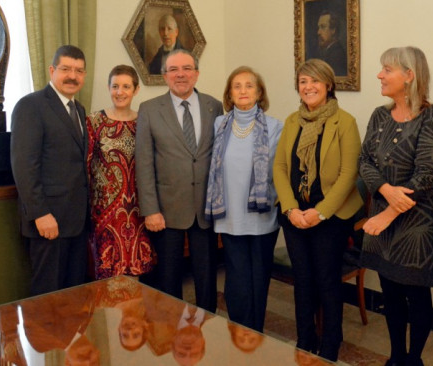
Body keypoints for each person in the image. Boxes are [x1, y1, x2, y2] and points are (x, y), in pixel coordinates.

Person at [358, 47, 433, 366]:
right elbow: (364, 160)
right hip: (382, 217)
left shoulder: (432, 116)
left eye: (387, 69)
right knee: (390, 290)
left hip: (417, 221)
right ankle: (396, 356)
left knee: (416, 293)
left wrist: (390, 211)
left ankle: (414, 359)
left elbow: (427, 173)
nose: (380, 75)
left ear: (409, 75)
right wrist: (383, 189)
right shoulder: (379, 116)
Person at [273, 58, 363, 362]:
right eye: (302, 81)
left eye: (314, 81)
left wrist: (320, 212)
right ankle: (305, 338)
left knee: (326, 280)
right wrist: (290, 208)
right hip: (296, 216)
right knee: (303, 280)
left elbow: (349, 174)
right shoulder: (291, 121)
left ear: (328, 85)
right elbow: (281, 167)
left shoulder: (345, 122)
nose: (308, 87)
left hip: (331, 217)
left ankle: (330, 343)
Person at [135, 49, 223, 312]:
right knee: (169, 277)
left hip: (205, 208)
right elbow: (144, 162)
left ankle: (209, 327)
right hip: (166, 210)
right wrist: (151, 210)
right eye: (173, 69)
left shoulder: (214, 106)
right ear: (164, 76)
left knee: (207, 276)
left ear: (196, 74)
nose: (180, 74)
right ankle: (170, 329)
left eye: (186, 68)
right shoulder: (149, 109)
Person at [204, 66, 283, 332]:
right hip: (229, 215)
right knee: (236, 279)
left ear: (259, 92)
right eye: (236, 86)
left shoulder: (274, 127)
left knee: (258, 278)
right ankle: (238, 334)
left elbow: (280, 172)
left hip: (261, 217)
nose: (243, 91)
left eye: (249, 85)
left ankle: (256, 334)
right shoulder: (219, 125)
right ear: (229, 93)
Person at [11, 45, 89, 296]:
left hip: (76, 220)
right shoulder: (30, 106)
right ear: (52, 70)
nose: (72, 76)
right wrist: (40, 213)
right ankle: (45, 338)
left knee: (73, 294)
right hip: (48, 220)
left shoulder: (78, 109)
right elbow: (24, 165)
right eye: (66, 69)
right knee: (47, 296)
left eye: (78, 70)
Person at [86, 65, 155, 280]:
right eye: (115, 86)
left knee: (137, 275)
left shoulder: (144, 121)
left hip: (140, 211)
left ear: (136, 90)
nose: (120, 92)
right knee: (107, 277)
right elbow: (85, 166)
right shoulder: (94, 121)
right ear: (108, 88)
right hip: (104, 213)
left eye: (126, 86)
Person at [313, 10, 346, 76]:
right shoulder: (326, 52)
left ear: (333, 30)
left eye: (323, 27)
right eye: (319, 27)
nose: (318, 32)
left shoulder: (337, 55)